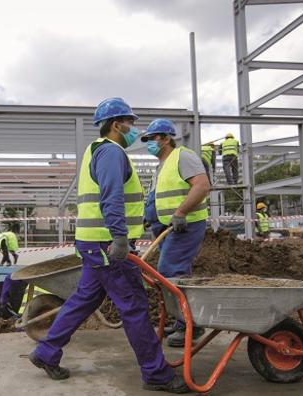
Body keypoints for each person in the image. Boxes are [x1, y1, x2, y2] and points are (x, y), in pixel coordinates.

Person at [28, 98, 188, 393]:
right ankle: (156, 374)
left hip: (94, 242)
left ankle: (46, 352)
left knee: (83, 300)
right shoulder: (112, 153)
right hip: (107, 244)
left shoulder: (95, 151)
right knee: (134, 306)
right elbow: (111, 197)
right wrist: (120, 237)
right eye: (129, 123)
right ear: (117, 125)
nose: (132, 129)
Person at [142, 118, 210, 348]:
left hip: (185, 225)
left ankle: (191, 326)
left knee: (169, 271)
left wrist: (181, 212)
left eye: (153, 138)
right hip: (167, 227)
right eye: (147, 139)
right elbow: (161, 197)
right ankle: (184, 321)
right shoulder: (163, 165)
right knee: (176, 273)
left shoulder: (183, 156)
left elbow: (201, 185)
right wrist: (148, 215)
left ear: (166, 138)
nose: (149, 143)